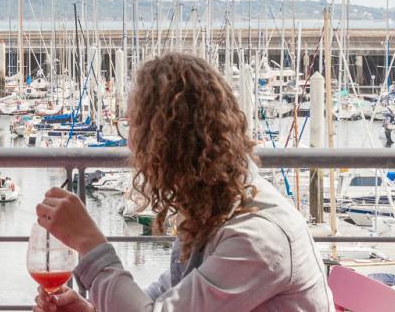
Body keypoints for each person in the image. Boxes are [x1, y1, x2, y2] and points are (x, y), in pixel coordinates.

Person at [34, 53, 332, 311]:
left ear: (166, 144)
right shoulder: (216, 209)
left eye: (135, 129)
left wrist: (89, 242)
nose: (131, 147)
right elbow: (165, 299)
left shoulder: (257, 237)